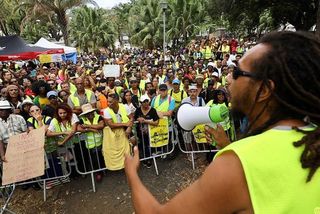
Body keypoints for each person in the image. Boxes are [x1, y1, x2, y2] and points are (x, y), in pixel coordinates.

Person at [124, 31, 320, 213]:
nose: (227, 79)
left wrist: (132, 173)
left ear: (265, 90)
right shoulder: (313, 139)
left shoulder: (236, 165)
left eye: (237, 73)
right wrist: (227, 145)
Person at [77, 103, 105, 182]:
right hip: (89, 144)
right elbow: (79, 128)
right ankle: (98, 173)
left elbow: (101, 126)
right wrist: (91, 129)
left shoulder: (98, 116)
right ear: (85, 114)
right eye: (88, 113)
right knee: (94, 160)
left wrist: (86, 126)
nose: (90, 114)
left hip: (101, 142)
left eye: (91, 112)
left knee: (100, 158)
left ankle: (101, 171)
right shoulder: (82, 119)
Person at [134, 95, 159, 168]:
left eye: (147, 101)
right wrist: (138, 119)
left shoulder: (153, 110)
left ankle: (148, 160)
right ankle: (145, 159)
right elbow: (135, 118)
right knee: (143, 146)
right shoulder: (138, 110)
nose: (145, 103)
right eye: (143, 102)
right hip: (140, 133)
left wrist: (146, 121)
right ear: (141, 103)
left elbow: (156, 122)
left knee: (148, 146)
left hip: (150, 133)